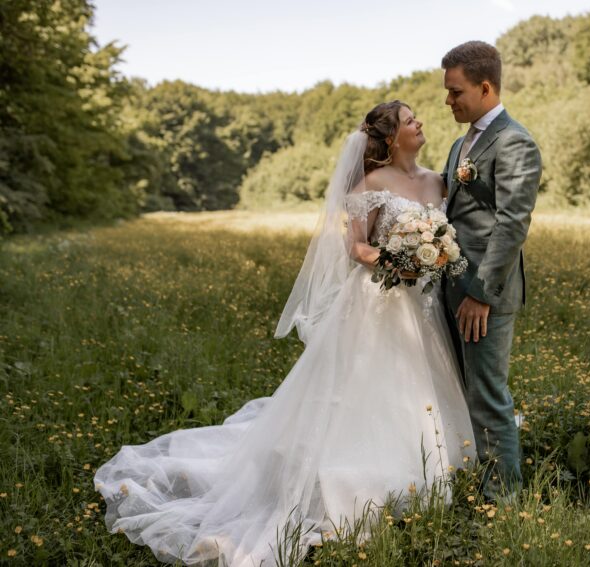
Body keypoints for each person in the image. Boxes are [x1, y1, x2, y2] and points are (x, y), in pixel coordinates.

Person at [94, 101, 475, 566]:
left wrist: (432, 256)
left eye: (417, 118)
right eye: (410, 120)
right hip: (379, 302)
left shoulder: (439, 180)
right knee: (366, 392)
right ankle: (364, 474)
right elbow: (354, 246)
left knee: (421, 388)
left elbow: (447, 237)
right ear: (392, 137)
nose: (420, 122)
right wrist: (398, 260)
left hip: (424, 307)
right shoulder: (371, 185)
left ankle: (433, 467)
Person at [440, 41, 543, 501]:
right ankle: (471, 479)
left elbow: (512, 223)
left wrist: (481, 293)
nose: (448, 101)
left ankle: (502, 502)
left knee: (488, 396)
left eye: (456, 91)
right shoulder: (461, 142)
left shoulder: (515, 141)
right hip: (449, 285)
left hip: (485, 293)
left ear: (485, 87)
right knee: (461, 390)